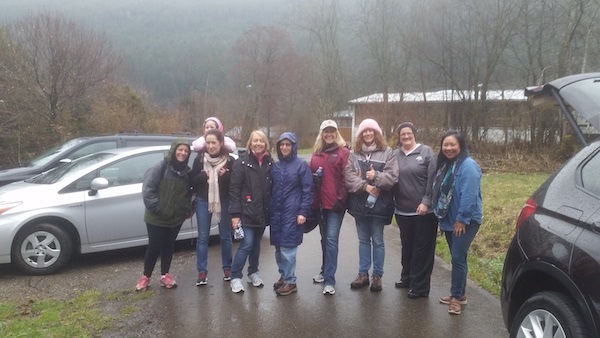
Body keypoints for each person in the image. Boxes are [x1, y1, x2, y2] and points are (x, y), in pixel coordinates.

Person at [344, 118, 398, 292]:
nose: (368, 134)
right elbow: (349, 176)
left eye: (371, 131)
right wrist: (365, 186)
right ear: (360, 135)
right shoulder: (354, 154)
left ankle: (377, 275)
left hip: (380, 204)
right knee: (363, 240)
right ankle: (363, 274)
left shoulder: (388, 152)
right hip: (359, 204)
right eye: (364, 131)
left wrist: (376, 178)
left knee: (377, 240)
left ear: (377, 133)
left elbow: (392, 177)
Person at [432, 130, 482, 315]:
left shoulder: (468, 166)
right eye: (445, 145)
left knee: (457, 257)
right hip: (450, 220)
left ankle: (455, 298)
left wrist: (462, 219)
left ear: (460, 145)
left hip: (465, 221)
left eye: (452, 144)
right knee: (459, 257)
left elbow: (469, 195)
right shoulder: (447, 165)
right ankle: (460, 294)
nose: (449, 148)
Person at [135, 139, 193, 291]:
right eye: (180, 150)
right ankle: (145, 277)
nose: (183, 153)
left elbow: (188, 194)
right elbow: (148, 190)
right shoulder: (159, 168)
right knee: (154, 247)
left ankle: (164, 275)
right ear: (173, 150)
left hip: (175, 218)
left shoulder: (186, 172)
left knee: (169, 246)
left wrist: (186, 209)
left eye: (186, 151)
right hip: (157, 217)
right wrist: (158, 208)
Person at [392, 122, 438, 299]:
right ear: (399, 136)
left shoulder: (426, 152)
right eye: (402, 134)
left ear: (414, 134)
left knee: (422, 249)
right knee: (408, 246)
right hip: (402, 211)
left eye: (408, 133)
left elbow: (433, 179)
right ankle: (407, 278)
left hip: (423, 212)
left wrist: (426, 202)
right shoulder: (395, 154)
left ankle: (420, 287)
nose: (405, 136)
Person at [228, 130, 273, 293]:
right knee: (246, 244)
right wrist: (235, 215)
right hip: (246, 212)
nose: (258, 143)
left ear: (265, 143)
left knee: (256, 245)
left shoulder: (269, 162)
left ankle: (253, 272)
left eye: (261, 140)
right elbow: (234, 189)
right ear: (250, 143)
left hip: (262, 212)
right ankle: (235, 277)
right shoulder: (241, 163)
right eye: (255, 141)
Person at [309, 120, 350, 295]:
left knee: (332, 241)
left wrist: (341, 199)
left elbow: (346, 177)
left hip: (335, 205)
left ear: (336, 133)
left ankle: (329, 280)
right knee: (324, 239)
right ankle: (324, 270)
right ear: (321, 133)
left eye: (332, 131)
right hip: (319, 205)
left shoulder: (343, 152)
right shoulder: (316, 154)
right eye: (326, 131)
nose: (329, 134)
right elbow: (309, 178)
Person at [191, 129, 236, 285]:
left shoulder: (229, 160)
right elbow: (192, 182)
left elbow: (236, 183)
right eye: (208, 142)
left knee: (225, 235)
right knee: (203, 237)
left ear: (221, 143)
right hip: (204, 200)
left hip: (224, 201)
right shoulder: (199, 160)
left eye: (214, 143)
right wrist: (203, 176)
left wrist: (227, 176)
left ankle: (227, 268)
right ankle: (202, 272)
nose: (210, 146)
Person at [270, 132, 313, 296]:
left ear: (293, 147)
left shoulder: (301, 166)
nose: (284, 147)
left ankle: (290, 281)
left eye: (288, 145)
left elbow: (308, 190)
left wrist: (303, 211)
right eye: (282, 145)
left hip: (292, 213)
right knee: (278, 249)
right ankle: (284, 275)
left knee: (288, 250)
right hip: (276, 214)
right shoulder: (276, 166)